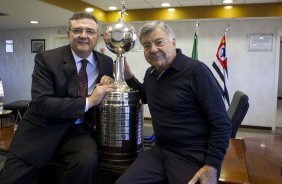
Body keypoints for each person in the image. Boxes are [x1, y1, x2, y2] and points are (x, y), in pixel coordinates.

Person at [0, 12, 116, 184]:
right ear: (68, 34)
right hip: (41, 128)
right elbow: (42, 104)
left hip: (78, 131)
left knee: (86, 163)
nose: (84, 35)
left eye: (90, 31)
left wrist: (111, 82)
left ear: (97, 37)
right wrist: (90, 100)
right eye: (78, 30)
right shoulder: (47, 59)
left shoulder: (106, 62)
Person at [115, 21, 232, 184]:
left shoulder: (196, 71)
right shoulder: (151, 73)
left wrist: (212, 165)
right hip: (160, 150)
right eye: (147, 45)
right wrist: (128, 77)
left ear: (173, 42)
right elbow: (145, 96)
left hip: (191, 155)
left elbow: (222, 123)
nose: (153, 49)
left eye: (159, 42)